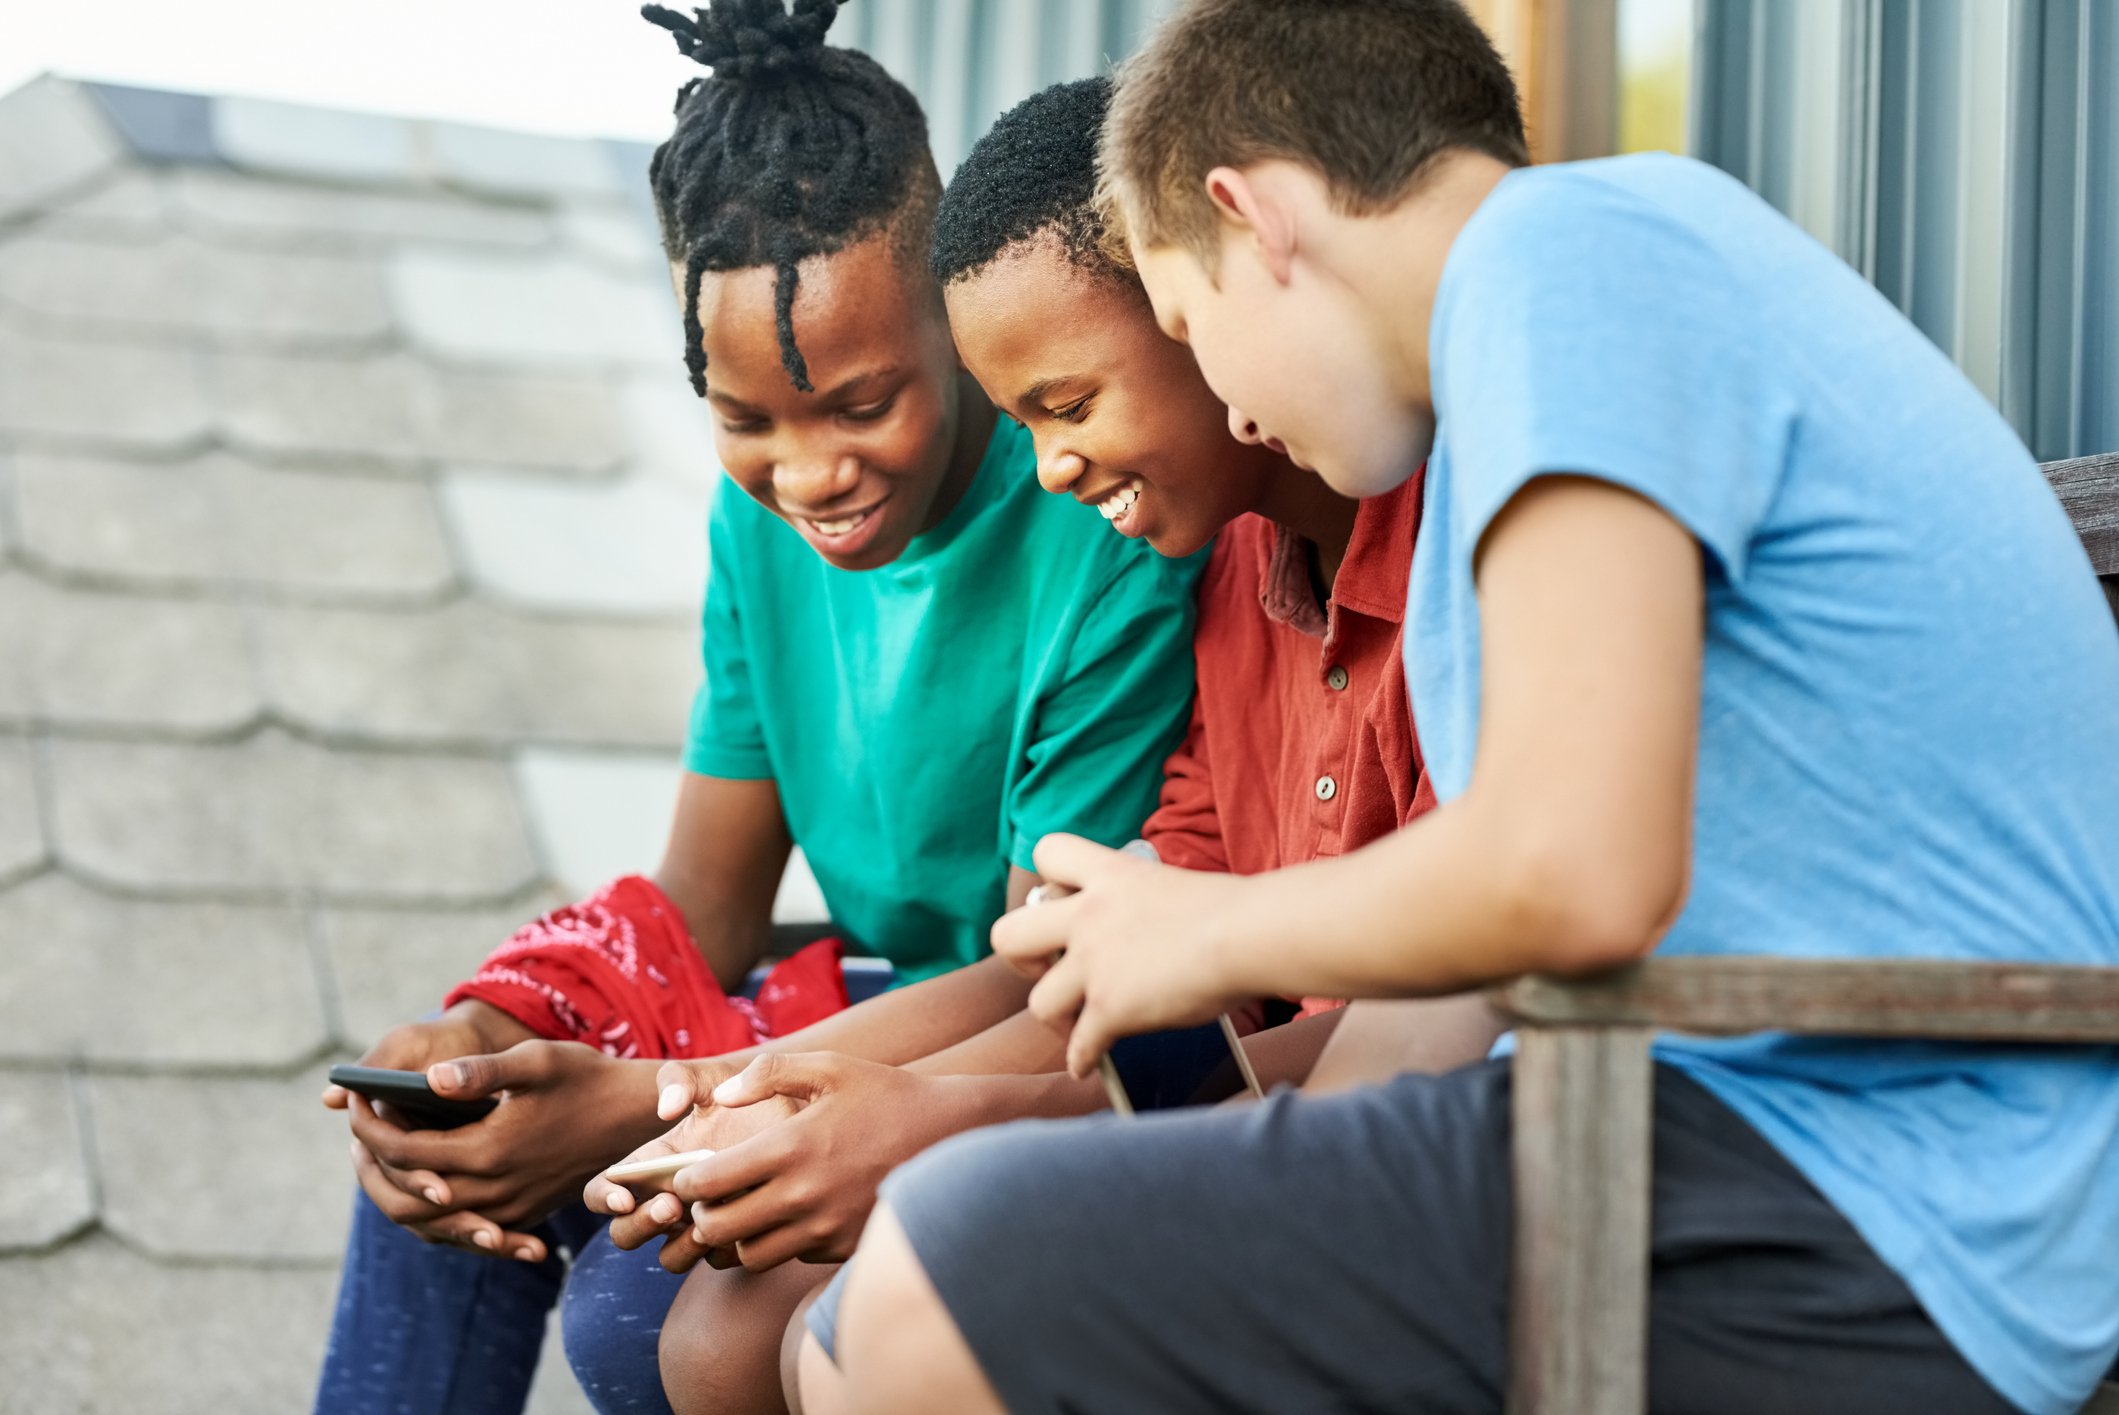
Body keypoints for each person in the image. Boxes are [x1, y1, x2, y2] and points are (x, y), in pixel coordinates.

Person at [808, 2, 2119, 1413]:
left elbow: (1568, 874)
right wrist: (1167, 1116)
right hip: (1737, 1144)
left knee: (947, 1278)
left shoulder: (1575, 257)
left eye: (1194, 325)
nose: (1238, 411)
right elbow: (1425, 1026)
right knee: (920, 1286)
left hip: (1885, 1193)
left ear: (1256, 222)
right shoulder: (1499, 461)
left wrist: (1206, 929)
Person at [309, 5, 1202, 1414]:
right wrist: (497, 1034)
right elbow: (707, 908)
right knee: (451, 1140)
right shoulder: (760, 531)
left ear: (953, 322)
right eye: (749, 420)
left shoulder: (1100, 528)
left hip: (995, 1039)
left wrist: (669, 1099)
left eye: (864, 403)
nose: (809, 475)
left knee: (633, 1298)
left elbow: (1050, 981)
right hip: (840, 1001)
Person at [599, 74, 1505, 1415]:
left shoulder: (1466, 548)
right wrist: (770, 1089)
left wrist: (930, 1123)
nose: (1050, 470)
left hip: (1409, 1159)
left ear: (1205, 311)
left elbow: (1399, 1039)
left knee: (766, 1313)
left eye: (1066, 405)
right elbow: (1129, 952)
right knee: (715, 1325)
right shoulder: (1226, 571)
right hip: (1243, 1109)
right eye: (1019, 421)